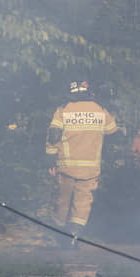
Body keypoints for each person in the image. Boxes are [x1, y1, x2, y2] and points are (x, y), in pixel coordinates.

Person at [46, 79, 119, 246]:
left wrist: (51, 161)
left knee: (62, 201)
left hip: (66, 167)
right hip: (90, 169)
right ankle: (74, 235)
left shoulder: (63, 110)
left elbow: (53, 136)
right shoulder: (100, 110)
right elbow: (113, 133)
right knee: (83, 203)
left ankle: (60, 235)